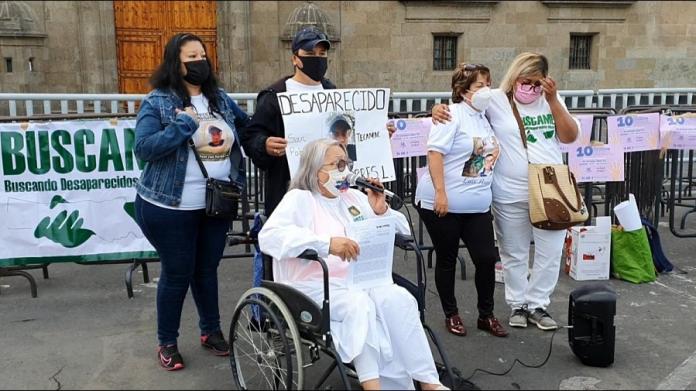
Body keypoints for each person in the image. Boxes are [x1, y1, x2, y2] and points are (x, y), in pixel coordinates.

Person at [259, 138, 448, 391]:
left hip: (359, 279)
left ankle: (429, 382)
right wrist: (326, 243)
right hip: (314, 284)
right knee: (360, 306)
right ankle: (373, 386)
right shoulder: (300, 199)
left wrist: (381, 212)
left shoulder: (353, 198)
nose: (345, 170)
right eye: (337, 164)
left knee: (400, 299)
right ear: (317, 171)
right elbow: (269, 237)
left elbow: (402, 229)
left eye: (346, 163)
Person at [431, 53, 579, 331]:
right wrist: (437, 108)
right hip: (509, 192)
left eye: (537, 83)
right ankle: (518, 304)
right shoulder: (496, 99)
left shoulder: (551, 100)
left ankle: (538, 304)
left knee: (550, 251)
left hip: (550, 190)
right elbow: (465, 103)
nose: (531, 88)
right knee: (513, 252)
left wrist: (553, 100)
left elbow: (570, 135)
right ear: (515, 77)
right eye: (526, 81)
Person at [133, 32, 249, 370]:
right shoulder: (157, 101)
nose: (200, 62)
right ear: (176, 64)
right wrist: (183, 124)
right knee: (178, 272)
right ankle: (167, 341)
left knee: (207, 269)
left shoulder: (221, 100)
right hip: (168, 206)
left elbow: (250, 126)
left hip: (216, 203)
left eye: (202, 56)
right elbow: (144, 148)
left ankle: (210, 330)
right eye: (191, 58)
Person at [240, 26, 396, 217]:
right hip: (290, 190)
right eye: (309, 53)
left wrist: (377, 134)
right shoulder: (275, 96)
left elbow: (350, 133)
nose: (317, 58)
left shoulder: (332, 92)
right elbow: (250, 137)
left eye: (322, 54)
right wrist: (264, 144)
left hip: (331, 193)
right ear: (295, 58)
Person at [415, 63, 507, 338]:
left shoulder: (486, 115)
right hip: (443, 203)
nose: (486, 90)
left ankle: (486, 315)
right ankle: (451, 313)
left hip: (477, 203)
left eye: (488, 84)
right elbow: (434, 154)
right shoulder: (451, 115)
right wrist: (441, 193)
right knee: (448, 258)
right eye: (479, 86)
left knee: (486, 258)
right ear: (463, 91)